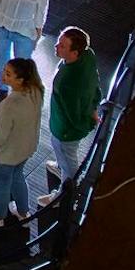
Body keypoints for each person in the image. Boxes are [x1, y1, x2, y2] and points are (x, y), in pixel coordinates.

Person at [0, 56, 44, 229]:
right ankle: (23, 213)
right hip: (25, 149)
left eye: (8, 74)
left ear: (20, 80)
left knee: (1, 184)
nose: (3, 75)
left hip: (5, 154)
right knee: (18, 177)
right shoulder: (36, 91)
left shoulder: (9, 106)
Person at [44, 26, 102, 200]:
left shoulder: (67, 83)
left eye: (62, 46)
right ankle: (61, 167)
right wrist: (93, 109)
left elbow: (73, 115)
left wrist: (79, 127)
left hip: (66, 131)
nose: (56, 46)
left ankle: (65, 193)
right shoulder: (88, 55)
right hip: (71, 124)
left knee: (68, 157)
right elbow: (95, 83)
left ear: (75, 53)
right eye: (58, 42)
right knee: (64, 155)